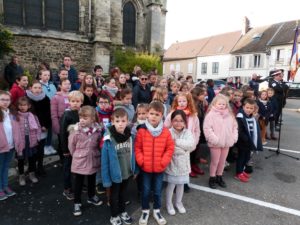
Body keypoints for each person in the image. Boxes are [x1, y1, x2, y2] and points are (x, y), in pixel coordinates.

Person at [135, 101, 174, 225]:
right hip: (145, 168)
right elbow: (137, 148)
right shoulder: (142, 131)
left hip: (159, 168)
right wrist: (141, 161)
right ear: (147, 114)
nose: (153, 116)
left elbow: (170, 148)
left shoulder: (166, 131)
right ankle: (145, 210)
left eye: (157, 114)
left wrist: (164, 161)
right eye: (151, 113)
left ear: (162, 115)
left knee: (157, 191)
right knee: (145, 191)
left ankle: (157, 210)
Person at [101, 108, 137, 225]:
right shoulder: (108, 139)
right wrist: (106, 179)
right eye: (117, 121)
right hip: (115, 174)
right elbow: (104, 162)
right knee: (114, 195)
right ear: (112, 122)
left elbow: (132, 154)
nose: (120, 124)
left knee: (123, 194)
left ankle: (122, 212)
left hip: (126, 172)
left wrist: (134, 169)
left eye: (123, 121)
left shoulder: (129, 136)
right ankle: (114, 215)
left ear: (127, 121)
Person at [68, 106, 103, 216]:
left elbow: (98, 144)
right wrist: (77, 155)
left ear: (92, 119)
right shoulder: (75, 131)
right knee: (79, 182)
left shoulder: (97, 131)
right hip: (80, 160)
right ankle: (77, 202)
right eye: (81, 117)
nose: (82, 120)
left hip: (93, 158)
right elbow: (71, 146)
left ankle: (91, 196)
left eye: (85, 118)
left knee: (92, 179)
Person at [203, 94, 238, 189]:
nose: (222, 106)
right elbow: (207, 128)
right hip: (216, 143)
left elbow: (235, 127)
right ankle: (212, 177)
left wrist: (234, 137)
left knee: (222, 161)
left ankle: (219, 176)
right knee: (215, 161)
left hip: (226, 142)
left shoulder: (230, 115)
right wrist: (215, 139)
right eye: (219, 104)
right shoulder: (211, 115)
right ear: (214, 104)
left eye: (224, 104)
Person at [165, 110, 195, 215]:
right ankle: (169, 204)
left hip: (184, 165)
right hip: (172, 165)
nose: (178, 123)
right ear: (171, 121)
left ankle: (178, 202)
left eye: (181, 121)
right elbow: (170, 148)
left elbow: (191, 145)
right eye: (175, 120)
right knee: (171, 185)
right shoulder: (168, 132)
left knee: (181, 184)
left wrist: (177, 142)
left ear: (185, 122)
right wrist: (183, 150)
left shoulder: (187, 132)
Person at [164, 92, 200, 178]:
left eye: (184, 101)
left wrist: (194, 141)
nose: (182, 103)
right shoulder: (172, 113)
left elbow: (197, 130)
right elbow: (166, 127)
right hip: (175, 144)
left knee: (186, 161)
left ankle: (184, 181)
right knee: (175, 163)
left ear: (188, 102)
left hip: (188, 143)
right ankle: (174, 180)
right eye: (180, 101)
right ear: (177, 102)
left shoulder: (193, 115)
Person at [60, 91, 84, 200]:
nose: (75, 103)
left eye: (77, 101)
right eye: (72, 101)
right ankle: (67, 188)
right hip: (69, 147)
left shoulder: (82, 113)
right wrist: (65, 149)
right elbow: (63, 133)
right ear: (69, 102)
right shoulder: (67, 114)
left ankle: (79, 184)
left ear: (81, 102)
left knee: (79, 166)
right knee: (68, 167)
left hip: (79, 146)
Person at [26, 81, 52, 176]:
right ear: (31, 88)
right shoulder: (27, 99)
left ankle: (40, 167)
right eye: (35, 88)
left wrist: (45, 125)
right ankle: (31, 168)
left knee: (41, 149)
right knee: (32, 150)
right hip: (31, 129)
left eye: (39, 88)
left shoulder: (46, 99)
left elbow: (48, 113)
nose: (37, 90)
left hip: (42, 128)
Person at [0, 91, 22, 200]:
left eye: (7, 100)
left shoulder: (12, 113)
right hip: (1, 146)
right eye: (2, 99)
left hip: (10, 145)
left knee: (5, 167)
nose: (5, 102)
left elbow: (17, 130)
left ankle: (5, 186)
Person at [235, 98, 263, 182]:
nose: (249, 110)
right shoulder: (240, 116)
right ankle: (238, 173)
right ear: (243, 107)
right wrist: (246, 139)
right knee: (241, 157)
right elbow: (240, 131)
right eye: (247, 107)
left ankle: (242, 171)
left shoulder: (251, 117)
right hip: (243, 142)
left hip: (249, 142)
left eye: (251, 108)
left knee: (247, 157)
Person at [16, 97, 41, 186]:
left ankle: (31, 174)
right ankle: (21, 175)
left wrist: (38, 137)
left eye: (24, 105)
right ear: (18, 106)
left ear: (29, 106)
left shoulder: (33, 116)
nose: (22, 107)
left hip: (31, 141)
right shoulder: (16, 117)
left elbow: (38, 127)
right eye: (20, 105)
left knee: (32, 159)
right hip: (21, 142)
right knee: (21, 160)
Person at [51, 78, 71, 163]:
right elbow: (53, 114)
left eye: (69, 84)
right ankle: (62, 160)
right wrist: (56, 127)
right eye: (65, 84)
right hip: (61, 123)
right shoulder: (56, 97)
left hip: (71, 123)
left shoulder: (72, 95)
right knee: (62, 142)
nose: (67, 86)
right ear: (60, 86)